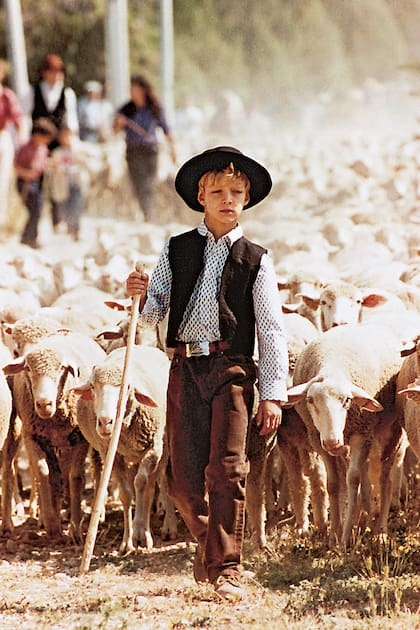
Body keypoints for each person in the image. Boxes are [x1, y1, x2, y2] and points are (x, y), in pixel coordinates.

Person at [126, 146, 289, 602]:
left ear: (247, 198)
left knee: (228, 468)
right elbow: (155, 309)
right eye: (217, 191)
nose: (227, 199)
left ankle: (227, 569)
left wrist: (273, 394)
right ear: (201, 196)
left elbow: (273, 330)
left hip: (232, 369)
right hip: (184, 367)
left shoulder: (257, 259)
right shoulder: (176, 249)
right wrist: (138, 297)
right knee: (181, 479)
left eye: (236, 192)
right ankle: (212, 546)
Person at [113, 74, 177, 222]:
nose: (131, 92)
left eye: (133, 88)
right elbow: (115, 130)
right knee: (139, 184)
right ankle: (148, 214)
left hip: (150, 151)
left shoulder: (155, 108)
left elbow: (167, 130)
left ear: (142, 90)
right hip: (133, 151)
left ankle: (150, 215)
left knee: (150, 183)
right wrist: (119, 123)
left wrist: (173, 149)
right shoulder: (126, 109)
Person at [29, 54, 79, 230]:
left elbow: (71, 121)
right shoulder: (32, 92)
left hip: (59, 145)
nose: (56, 76)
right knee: (39, 184)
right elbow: (27, 118)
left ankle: (61, 220)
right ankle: (36, 224)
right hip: (39, 145)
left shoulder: (67, 94)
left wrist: (70, 142)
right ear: (44, 73)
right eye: (53, 71)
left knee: (62, 182)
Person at [14, 117, 57, 248]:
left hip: (37, 182)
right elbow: (15, 165)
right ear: (38, 135)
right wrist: (25, 174)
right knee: (34, 210)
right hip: (25, 183)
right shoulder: (26, 148)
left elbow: (42, 163)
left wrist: (53, 163)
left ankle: (29, 237)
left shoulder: (43, 148)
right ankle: (28, 237)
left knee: (38, 209)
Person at [48, 126, 87, 241]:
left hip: (77, 183)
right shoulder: (57, 152)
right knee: (64, 209)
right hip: (63, 185)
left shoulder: (80, 150)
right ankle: (69, 226)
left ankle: (76, 230)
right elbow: (53, 166)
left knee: (77, 207)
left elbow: (87, 161)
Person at [0, 58, 25, 228]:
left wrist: (21, 145)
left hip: (1, 138)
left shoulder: (6, 95)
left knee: (1, 184)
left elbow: (18, 121)